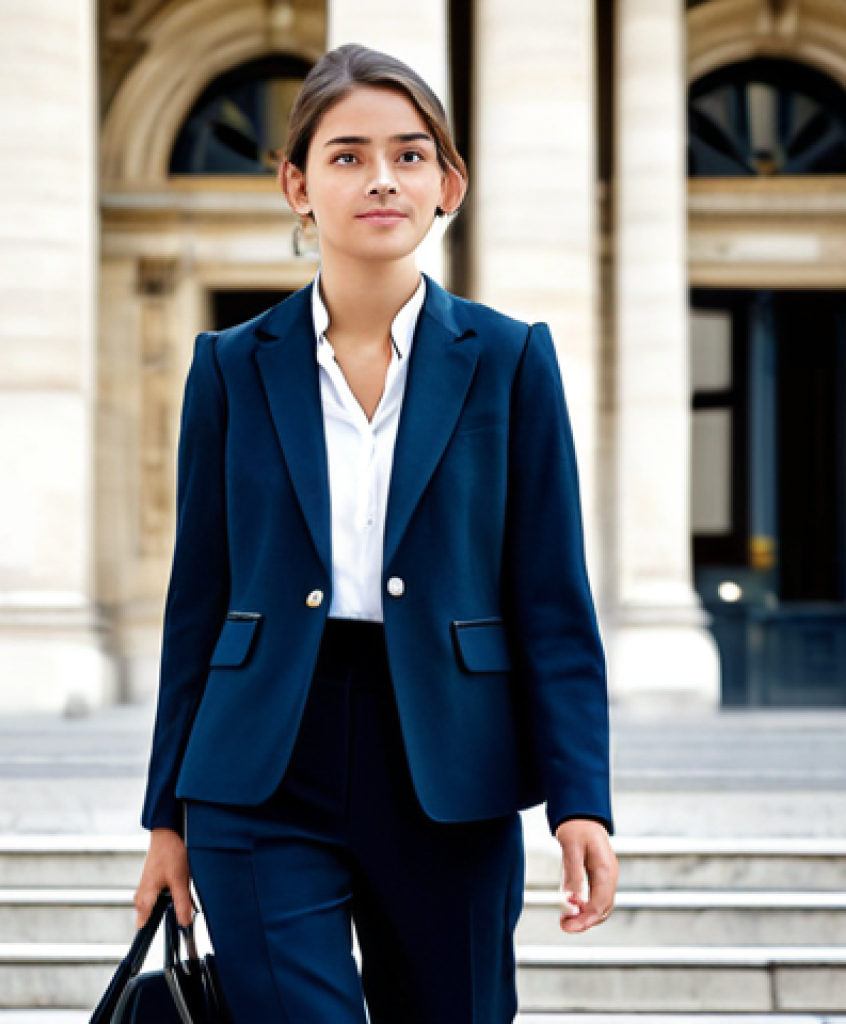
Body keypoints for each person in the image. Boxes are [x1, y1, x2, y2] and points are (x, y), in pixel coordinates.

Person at [134, 42, 618, 1024]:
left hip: (450, 762)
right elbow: (199, 599)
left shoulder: (511, 359)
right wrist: (163, 819)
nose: (380, 178)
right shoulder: (228, 367)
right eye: (347, 155)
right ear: (296, 184)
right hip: (262, 762)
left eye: (407, 154)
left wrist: (581, 798)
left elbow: (550, 599)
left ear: (448, 184)